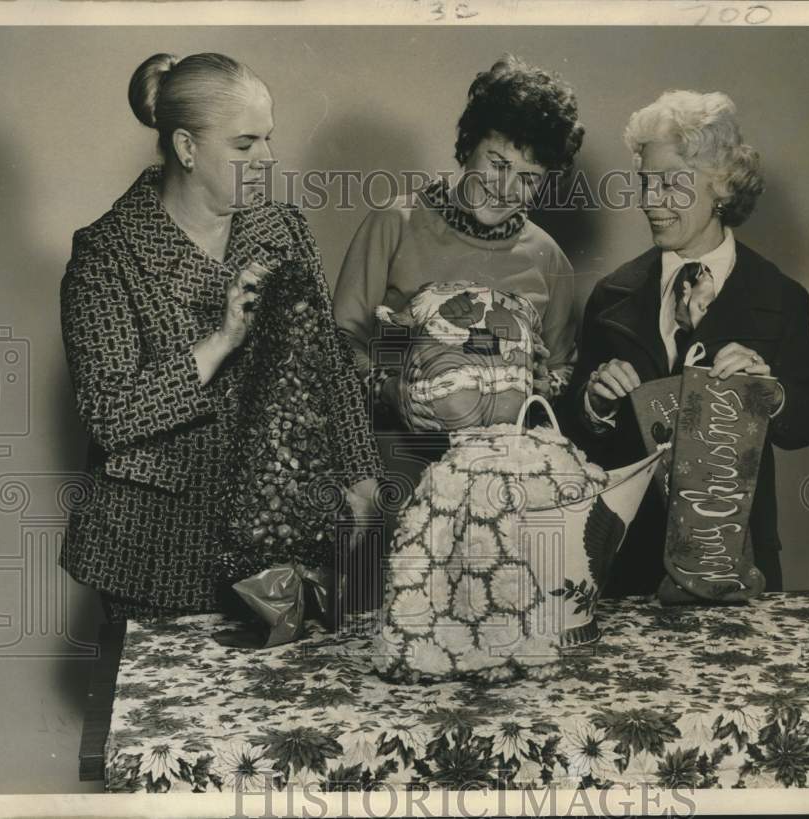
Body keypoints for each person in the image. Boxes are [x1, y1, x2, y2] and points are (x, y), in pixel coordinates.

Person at [60, 53, 383, 620]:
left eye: (268, 139)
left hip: (279, 528)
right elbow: (109, 413)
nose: (267, 158)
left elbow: (329, 363)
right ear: (187, 148)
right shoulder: (107, 253)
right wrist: (220, 341)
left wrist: (361, 476)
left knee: (284, 704)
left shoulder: (281, 227)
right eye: (244, 145)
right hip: (156, 546)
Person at [563, 90, 809, 595]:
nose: (649, 201)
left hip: (736, 559)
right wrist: (595, 403)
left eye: (669, 184)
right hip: (627, 563)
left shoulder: (782, 296)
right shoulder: (611, 294)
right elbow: (577, 434)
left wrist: (771, 396)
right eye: (645, 183)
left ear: (721, 186)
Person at [333, 54, 585, 432]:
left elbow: (563, 367)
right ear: (469, 145)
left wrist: (550, 384)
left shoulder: (548, 257)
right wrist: (387, 391)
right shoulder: (394, 223)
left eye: (528, 178)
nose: (505, 189)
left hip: (504, 464)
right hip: (394, 452)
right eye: (497, 164)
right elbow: (339, 343)